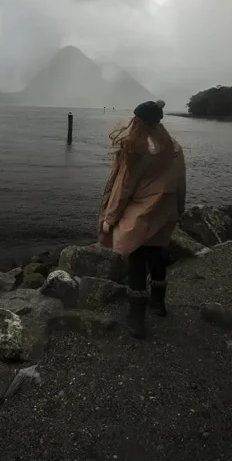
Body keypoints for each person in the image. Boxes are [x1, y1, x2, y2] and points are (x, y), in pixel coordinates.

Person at [97, 100, 186, 339]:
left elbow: (123, 188)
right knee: (156, 256)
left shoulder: (136, 149)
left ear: (138, 120)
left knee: (136, 260)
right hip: (165, 211)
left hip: (140, 213)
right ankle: (158, 303)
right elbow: (180, 182)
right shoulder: (174, 147)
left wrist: (110, 218)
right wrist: (179, 209)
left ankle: (136, 319)